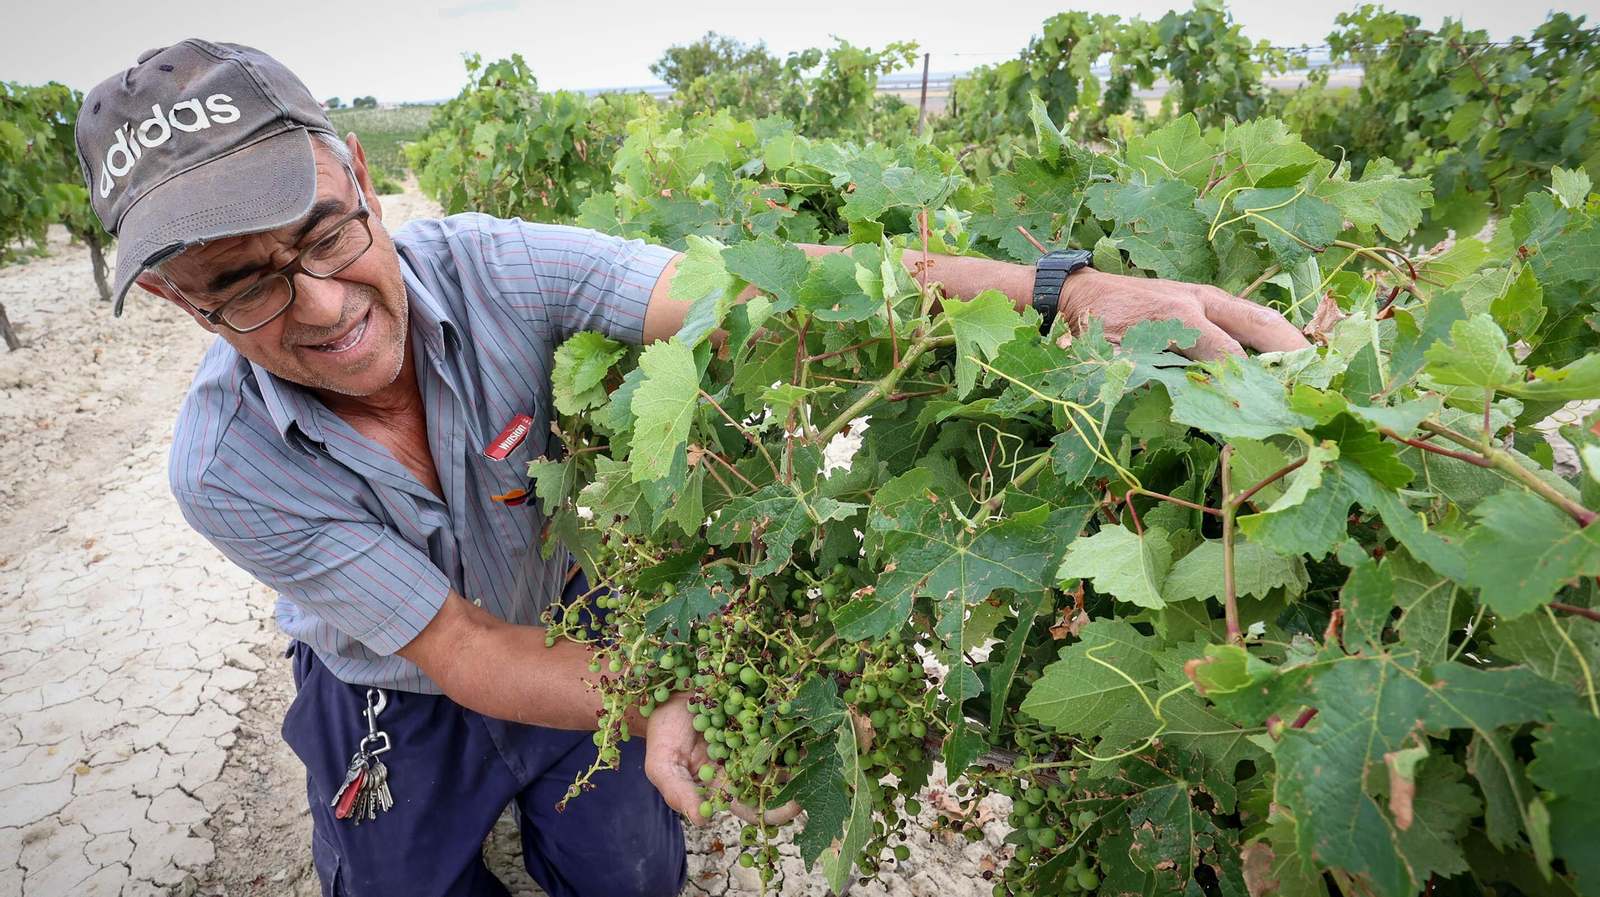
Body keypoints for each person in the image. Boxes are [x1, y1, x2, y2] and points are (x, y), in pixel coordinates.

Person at [75, 39, 1309, 897]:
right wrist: (656, 699)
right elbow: (461, 651)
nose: (323, 303)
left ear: (359, 175)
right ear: (188, 307)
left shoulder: (501, 265)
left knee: (632, 875)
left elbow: (762, 293)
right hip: (393, 679)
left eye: (327, 235)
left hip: (570, 618)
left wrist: (1058, 292)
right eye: (242, 283)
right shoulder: (224, 465)